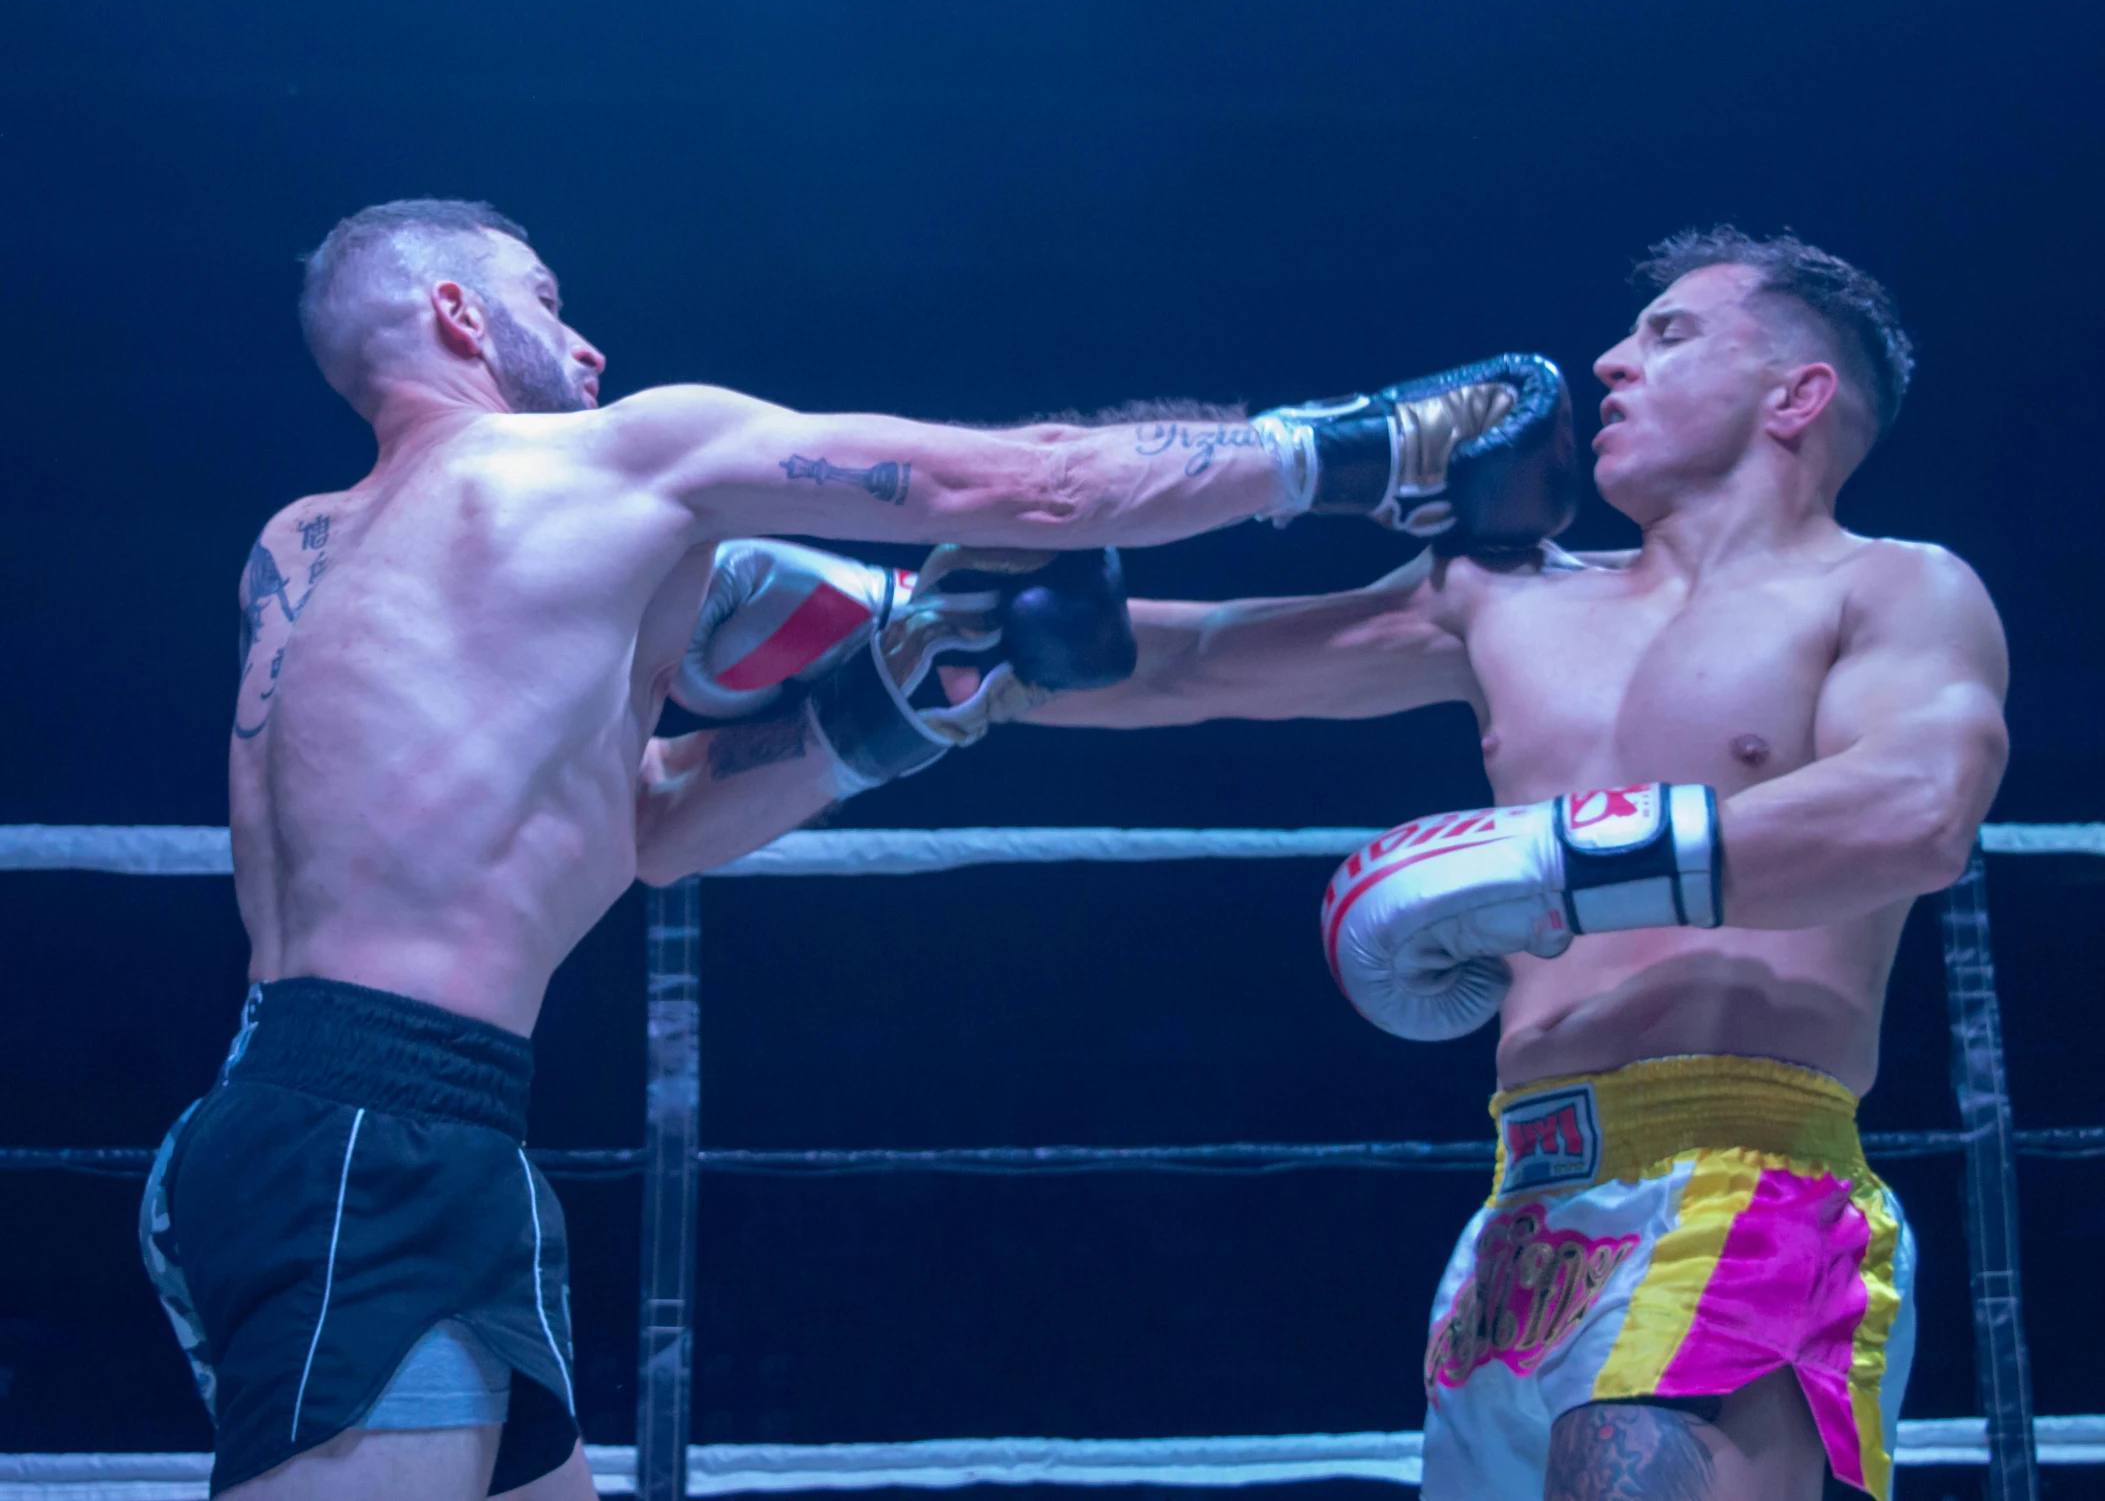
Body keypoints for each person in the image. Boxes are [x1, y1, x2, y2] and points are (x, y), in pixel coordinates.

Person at [138, 197, 1572, 1500]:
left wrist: (882, 709)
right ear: (458, 312)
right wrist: (1365, 446)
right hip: (376, 1144)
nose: (586, 341)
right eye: (547, 296)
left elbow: (643, 830)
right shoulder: (616, 452)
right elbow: (1046, 486)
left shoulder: (308, 544)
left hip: (331, 1122)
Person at [1031, 229, 2009, 1501]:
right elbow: (1180, 659)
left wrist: (1545, 863)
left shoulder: (1886, 590)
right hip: (1516, 1220)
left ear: (1796, 395)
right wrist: (891, 631)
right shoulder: (1501, 598)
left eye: (1668, 335)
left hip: (1735, 1187)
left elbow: (1914, 810)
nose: (1608, 361)